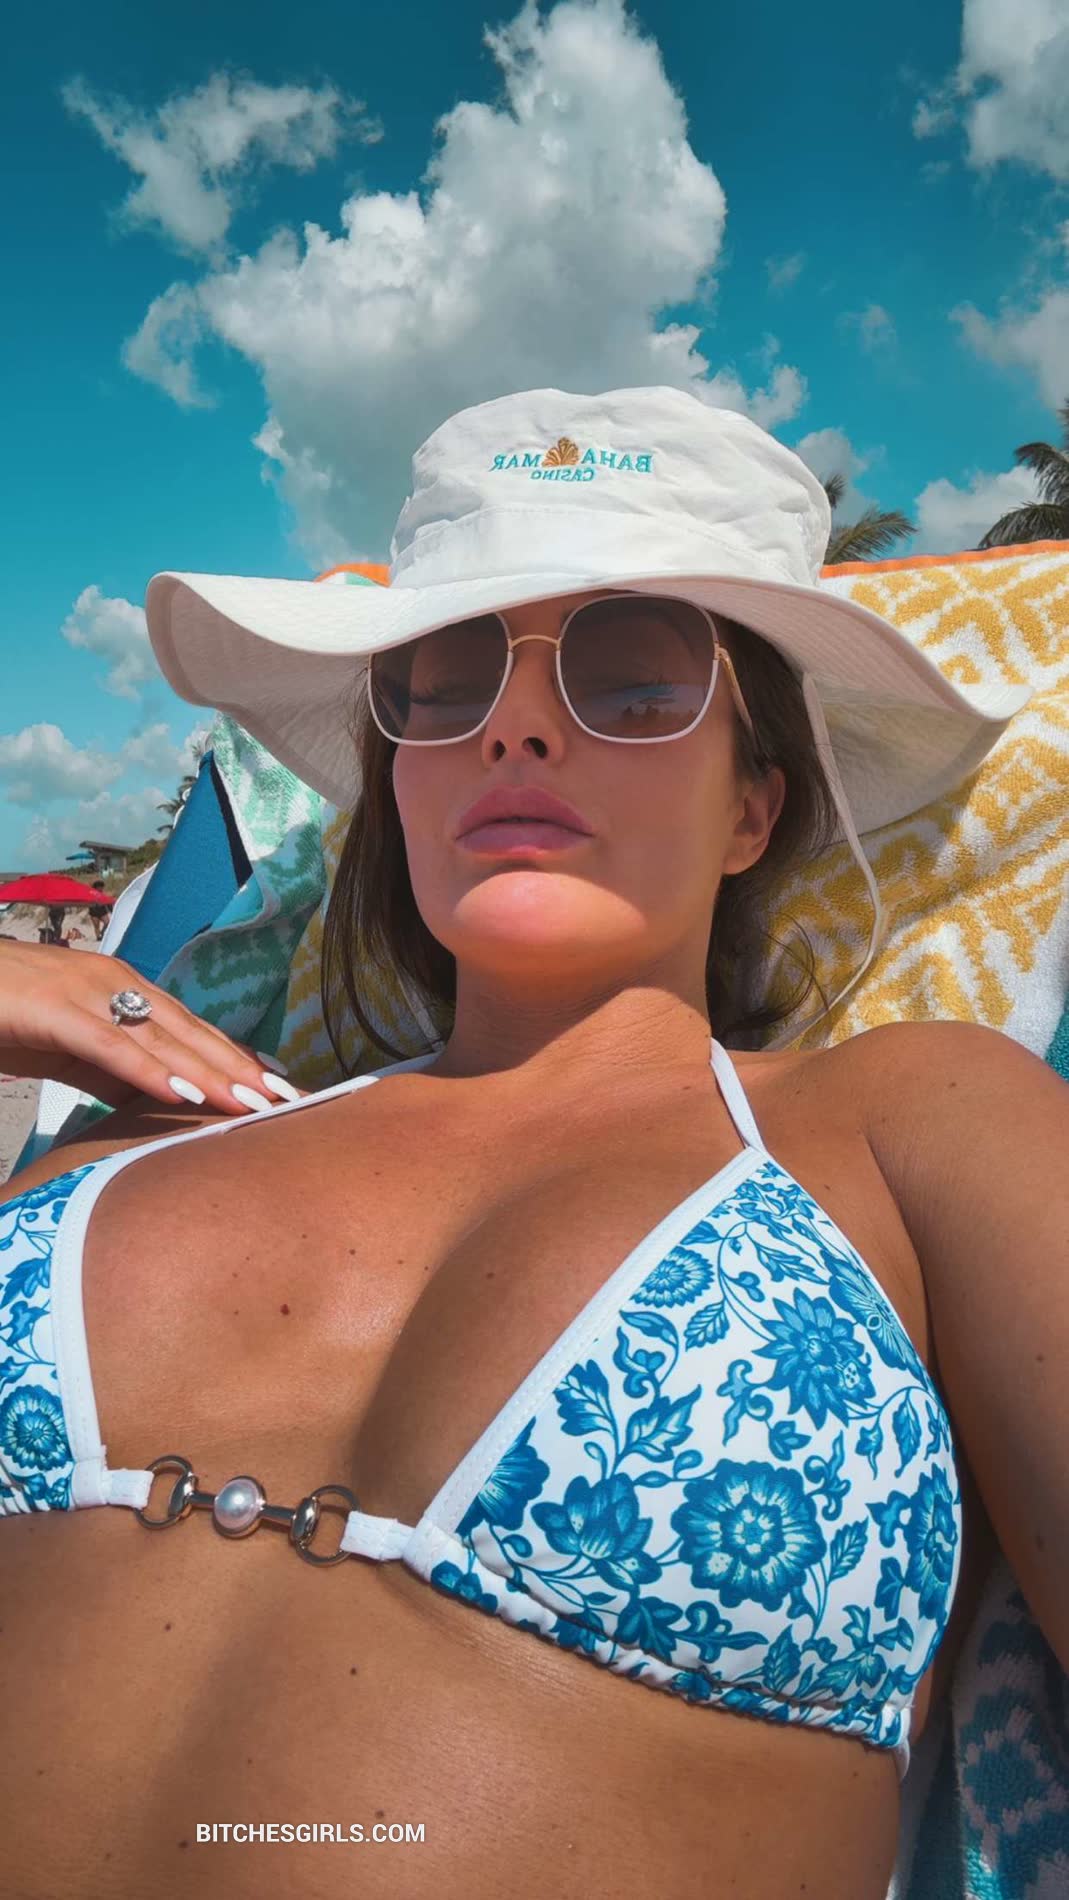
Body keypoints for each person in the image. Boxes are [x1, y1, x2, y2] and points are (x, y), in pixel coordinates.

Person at [0, 387, 1065, 1900]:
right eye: (443, 684)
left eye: (631, 683)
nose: (514, 722)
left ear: (753, 809)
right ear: (400, 779)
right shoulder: (146, 1129)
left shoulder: (911, 1124)